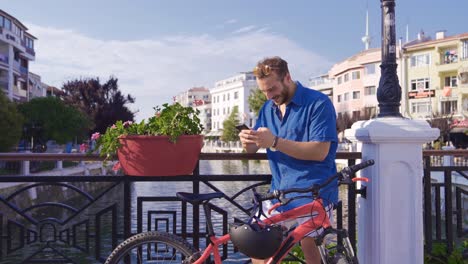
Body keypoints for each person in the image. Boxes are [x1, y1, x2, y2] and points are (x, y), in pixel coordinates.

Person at [239, 56, 338, 264]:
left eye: (272, 89)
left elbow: (320, 151)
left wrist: (274, 141)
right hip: (279, 194)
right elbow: (254, 146)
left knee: (313, 256)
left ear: (287, 77)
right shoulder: (268, 108)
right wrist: (248, 140)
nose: (269, 95)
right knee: (259, 249)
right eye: (264, 91)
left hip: (313, 195)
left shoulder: (318, 103)